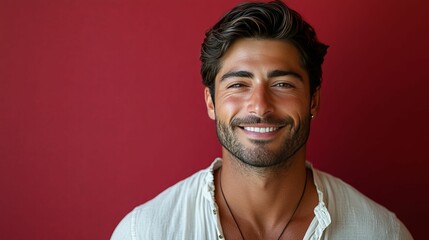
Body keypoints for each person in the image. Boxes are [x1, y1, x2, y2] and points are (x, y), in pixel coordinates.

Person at [111, 1, 413, 239]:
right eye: (238, 84)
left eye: (282, 84)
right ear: (210, 102)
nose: (260, 106)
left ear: (314, 101)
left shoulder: (380, 233)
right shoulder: (145, 232)